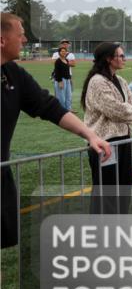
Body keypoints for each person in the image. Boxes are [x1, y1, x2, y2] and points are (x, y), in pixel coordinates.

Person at [2, 13, 112, 249]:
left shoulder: (13, 74)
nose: (24, 41)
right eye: (20, 35)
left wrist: (90, 134)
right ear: (2, 40)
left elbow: (49, 107)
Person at [82, 42, 132, 214]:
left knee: (124, 186)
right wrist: (129, 111)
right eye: (120, 56)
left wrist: (129, 110)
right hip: (104, 143)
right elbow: (115, 110)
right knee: (107, 190)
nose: (124, 59)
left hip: (124, 139)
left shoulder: (120, 80)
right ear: (108, 59)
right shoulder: (97, 82)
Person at [50, 38, 76, 103]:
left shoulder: (71, 54)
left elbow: (73, 64)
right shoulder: (56, 54)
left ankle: (69, 109)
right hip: (59, 75)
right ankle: (58, 108)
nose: (65, 45)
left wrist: (63, 61)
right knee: (59, 93)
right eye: (63, 44)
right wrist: (66, 62)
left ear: (68, 45)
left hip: (69, 75)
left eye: (66, 44)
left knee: (69, 93)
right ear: (60, 45)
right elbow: (54, 62)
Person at [51, 46, 73, 110]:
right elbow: (57, 72)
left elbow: (67, 71)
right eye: (62, 51)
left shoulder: (66, 60)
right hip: (61, 80)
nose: (64, 52)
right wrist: (60, 81)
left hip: (67, 80)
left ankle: (68, 109)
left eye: (65, 51)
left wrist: (69, 78)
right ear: (59, 52)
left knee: (68, 96)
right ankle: (62, 111)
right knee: (61, 97)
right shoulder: (58, 61)